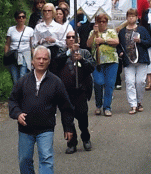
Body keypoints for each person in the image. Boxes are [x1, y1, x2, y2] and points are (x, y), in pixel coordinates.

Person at [9, 46, 74, 174]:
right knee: (24, 159)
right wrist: (17, 114)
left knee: (46, 159)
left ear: (49, 61)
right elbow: (12, 100)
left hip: (46, 129)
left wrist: (68, 127)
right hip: (25, 128)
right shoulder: (23, 81)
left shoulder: (56, 82)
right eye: (38, 58)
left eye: (45, 59)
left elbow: (66, 106)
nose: (41, 61)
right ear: (32, 61)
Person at [56, 31, 95, 154]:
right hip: (65, 93)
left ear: (78, 39)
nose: (71, 39)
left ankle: (86, 137)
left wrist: (82, 59)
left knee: (82, 117)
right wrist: (69, 52)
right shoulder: (61, 52)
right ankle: (72, 143)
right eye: (69, 37)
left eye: (74, 37)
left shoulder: (84, 52)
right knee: (67, 120)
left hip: (81, 91)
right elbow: (56, 63)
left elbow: (92, 67)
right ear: (66, 40)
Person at [118, 9, 151, 114]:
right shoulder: (122, 31)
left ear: (137, 17)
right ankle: (133, 104)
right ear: (127, 18)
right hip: (128, 60)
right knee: (129, 82)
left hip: (141, 59)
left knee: (140, 82)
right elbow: (119, 45)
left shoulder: (142, 30)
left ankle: (139, 101)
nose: (131, 18)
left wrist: (140, 41)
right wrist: (120, 52)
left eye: (133, 16)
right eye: (129, 16)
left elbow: (149, 42)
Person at [87, 14, 119, 117]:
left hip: (111, 62)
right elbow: (88, 44)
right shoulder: (93, 32)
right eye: (100, 21)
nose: (102, 23)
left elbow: (116, 42)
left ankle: (107, 107)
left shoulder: (111, 31)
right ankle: (98, 105)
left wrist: (103, 41)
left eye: (104, 21)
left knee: (109, 84)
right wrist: (95, 34)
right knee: (98, 82)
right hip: (97, 62)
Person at [33, 3, 66, 72]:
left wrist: (54, 40)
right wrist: (40, 41)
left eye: (49, 10)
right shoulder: (38, 27)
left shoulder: (59, 27)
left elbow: (64, 44)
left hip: (55, 52)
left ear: (53, 12)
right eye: (45, 11)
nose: (47, 12)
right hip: (42, 51)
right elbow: (33, 43)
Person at [4, 11, 34, 84]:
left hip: (25, 54)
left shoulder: (30, 30)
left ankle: (22, 93)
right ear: (16, 19)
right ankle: (16, 93)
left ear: (25, 18)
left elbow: (32, 45)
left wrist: (33, 58)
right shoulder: (11, 30)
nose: (21, 19)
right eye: (19, 17)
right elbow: (7, 44)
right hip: (13, 55)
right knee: (14, 77)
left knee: (22, 75)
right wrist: (6, 55)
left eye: (23, 17)